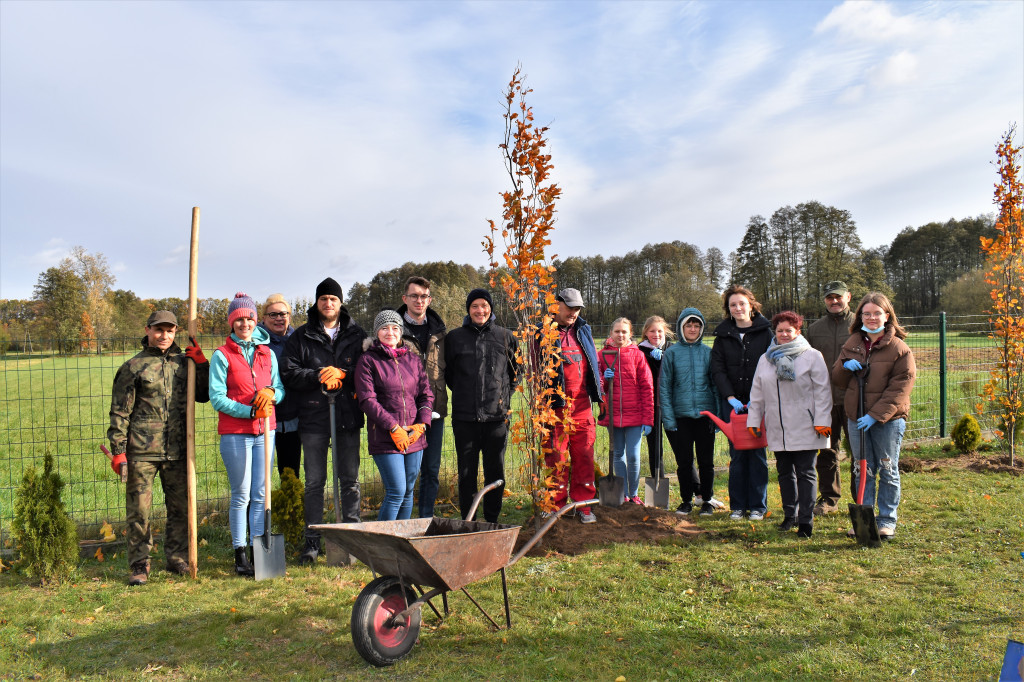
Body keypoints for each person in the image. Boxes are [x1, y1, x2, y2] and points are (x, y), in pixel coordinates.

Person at [107, 310, 210, 586]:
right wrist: (118, 450)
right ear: (148, 330)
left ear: (176, 331)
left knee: (180, 507)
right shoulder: (133, 367)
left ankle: (177, 557)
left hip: (178, 450)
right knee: (139, 511)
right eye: (159, 330)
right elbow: (120, 412)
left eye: (170, 330)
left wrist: (201, 365)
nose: (164, 336)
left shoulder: (184, 363)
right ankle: (140, 563)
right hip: (141, 451)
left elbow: (203, 396)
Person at [281, 277, 367, 565]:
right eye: (323, 299)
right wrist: (318, 374)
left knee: (350, 480)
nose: (328, 303)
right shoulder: (302, 336)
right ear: (317, 303)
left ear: (340, 303)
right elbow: (289, 372)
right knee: (314, 482)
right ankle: (312, 543)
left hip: (347, 415)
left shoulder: (356, 334)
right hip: (314, 416)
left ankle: (351, 539)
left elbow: (368, 370)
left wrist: (344, 374)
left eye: (333, 299)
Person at [210, 293, 285, 576]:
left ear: (255, 321)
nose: (245, 323)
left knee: (261, 493)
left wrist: (271, 394)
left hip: (266, 431)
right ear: (232, 322)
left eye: (249, 318)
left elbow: (279, 387)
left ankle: (258, 548)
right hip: (236, 434)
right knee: (241, 494)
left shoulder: (267, 353)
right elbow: (217, 398)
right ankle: (240, 552)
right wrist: (250, 412)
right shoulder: (222, 355)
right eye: (239, 319)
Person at [833, 292, 916, 540]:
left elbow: (901, 387)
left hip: (887, 420)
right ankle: (864, 520)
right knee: (863, 469)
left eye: (876, 313)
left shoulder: (899, 348)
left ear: (887, 316)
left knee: (887, 468)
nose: (871, 318)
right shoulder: (853, 344)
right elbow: (837, 379)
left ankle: (886, 520)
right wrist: (843, 367)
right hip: (856, 417)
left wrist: (875, 415)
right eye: (866, 314)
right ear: (860, 317)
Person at [747, 311, 832, 538]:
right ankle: (789, 515)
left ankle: (805, 520)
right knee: (784, 473)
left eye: (789, 331)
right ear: (774, 332)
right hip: (778, 426)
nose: (784, 334)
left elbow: (823, 392)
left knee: (805, 472)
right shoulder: (766, 359)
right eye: (780, 330)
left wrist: (823, 421)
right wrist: (754, 419)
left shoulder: (812, 356)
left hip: (806, 424)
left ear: (798, 332)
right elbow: (757, 393)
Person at [445, 289, 520, 523]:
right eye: (475, 306)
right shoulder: (455, 338)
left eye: (484, 306)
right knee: (466, 474)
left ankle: (491, 519)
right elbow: (449, 375)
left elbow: (516, 373)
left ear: (491, 308)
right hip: (465, 419)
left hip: (496, 419)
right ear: (468, 309)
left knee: (495, 473)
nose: (480, 310)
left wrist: (501, 396)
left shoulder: (506, 337)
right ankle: (469, 520)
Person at [355, 310, 433, 520]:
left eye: (395, 328)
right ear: (377, 332)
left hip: (414, 436)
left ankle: (402, 545)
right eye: (384, 328)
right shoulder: (368, 360)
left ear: (401, 333)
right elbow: (367, 400)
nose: (390, 332)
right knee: (396, 491)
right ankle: (382, 548)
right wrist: (393, 427)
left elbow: (426, 395)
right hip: (386, 436)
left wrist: (421, 425)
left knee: (408, 492)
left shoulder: (413, 361)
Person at [710, 285, 772, 521]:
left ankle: (758, 505)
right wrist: (730, 397)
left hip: (759, 403)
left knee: (757, 454)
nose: (737, 308)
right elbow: (718, 369)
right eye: (733, 305)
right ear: (728, 309)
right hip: (733, 404)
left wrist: (759, 399)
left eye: (741, 304)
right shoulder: (723, 335)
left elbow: (770, 367)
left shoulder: (766, 334)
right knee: (737, 454)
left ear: (751, 305)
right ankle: (738, 505)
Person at [542, 288, 604, 524]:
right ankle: (554, 504)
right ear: (557, 305)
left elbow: (594, 366)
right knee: (556, 458)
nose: (574, 312)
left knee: (584, 458)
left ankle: (583, 505)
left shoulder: (583, 331)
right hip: (556, 407)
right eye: (569, 307)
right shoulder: (543, 332)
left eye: (577, 308)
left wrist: (600, 398)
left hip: (581, 406)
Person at [395, 276, 448, 518]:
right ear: (405, 298)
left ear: (430, 299)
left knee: (431, 471)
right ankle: (401, 523)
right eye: (414, 295)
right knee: (406, 474)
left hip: (434, 411)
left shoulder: (440, 331)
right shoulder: (394, 331)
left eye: (424, 296)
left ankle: (425, 520)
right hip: (404, 414)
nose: (419, 300)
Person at [660, 308, 720, 516]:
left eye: (697, 326)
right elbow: (665, 387)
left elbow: (715, 386)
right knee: (684, 462)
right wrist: (668, 417)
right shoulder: (672, 353)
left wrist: (717, 416)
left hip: (705, 416)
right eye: (689, 325)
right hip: (680, 416)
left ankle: (707, 500)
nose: (693, 329)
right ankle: (685, 500)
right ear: (681, 328)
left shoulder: (708, 353)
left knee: (706, 462)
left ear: (702, 328)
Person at [806, 281, 856, 516]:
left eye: (838, 297)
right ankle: (828, 498)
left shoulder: (861, 324)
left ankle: (861, 497)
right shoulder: (814, 330)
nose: (834, 301)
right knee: (826, 450)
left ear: (848, 297)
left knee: (859, 451)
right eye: (829, 298)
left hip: (855, 402)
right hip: (824, 403)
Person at [598, 318, 653, 505]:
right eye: (617, 331)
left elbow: (647, 388)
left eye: (624, 332)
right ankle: (621, 494)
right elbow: (597, 387)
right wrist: (604, 380)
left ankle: (633, 493)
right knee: (618, 455)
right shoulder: (602, 355)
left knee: (633, 455)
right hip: (612, 415)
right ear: (611, 333)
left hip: (635, 415)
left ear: (630, 333)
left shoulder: (637, 355)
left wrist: (648, 418)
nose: (620, 335)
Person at [258, 294, 302, 480]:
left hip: (292, 418)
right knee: (259, 475)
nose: (278, 318)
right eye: (272, 314)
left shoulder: (299, 341)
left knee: (290, 473)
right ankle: (258, 509)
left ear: (289, 317)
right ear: (264, 318)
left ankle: (291, 508)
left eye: (282, 314)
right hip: (263, 417)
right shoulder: (255, 341)